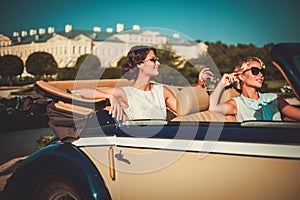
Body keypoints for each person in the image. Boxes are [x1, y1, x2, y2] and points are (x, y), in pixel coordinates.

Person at [79, 45, 213, 121]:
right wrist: (110, 96)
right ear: (140, 64)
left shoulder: (162, 91)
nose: (158, 63)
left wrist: (200, 85)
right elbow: (84, 92)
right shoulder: (124, 92)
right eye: (153, 60)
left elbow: (184, 109)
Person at [209, 56, 300, 122]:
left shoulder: (274, 99)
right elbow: (213, 107)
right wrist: (221, 84)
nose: (261, 75)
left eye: (262, 72)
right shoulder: (236, 104)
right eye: (255, 71)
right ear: (241, 76)